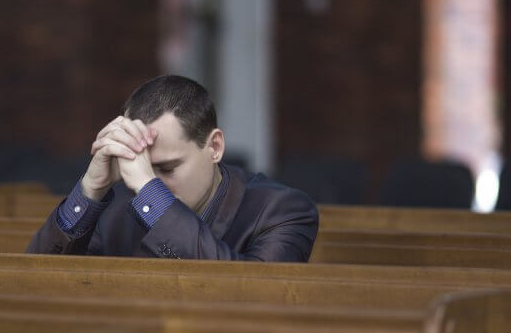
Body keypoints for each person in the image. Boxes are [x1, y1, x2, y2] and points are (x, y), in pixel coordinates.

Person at [27, 75, 318, 261]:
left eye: (166, 168)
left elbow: (249, 293)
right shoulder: (116, 209)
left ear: (214, 146)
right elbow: (33, 286)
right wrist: (89, 190)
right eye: (139, 167)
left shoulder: (284, 210)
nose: (147, 183)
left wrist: (150, 195)